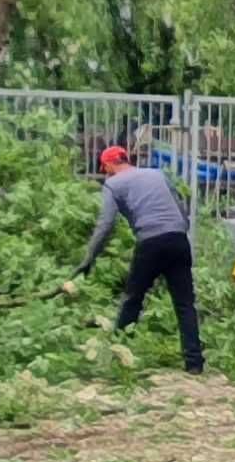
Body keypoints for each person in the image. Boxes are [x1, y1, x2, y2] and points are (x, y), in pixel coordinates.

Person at [80, 142, 203, 371]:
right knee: (185, 304)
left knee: (132, 299)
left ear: (107, 165)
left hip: (150, 242)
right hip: (178, 239)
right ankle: (195, 363)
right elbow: (179, 207)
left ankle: (119, 357)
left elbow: (105, 225)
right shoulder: (156, 174)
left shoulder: (113, 184)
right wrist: (178, 230)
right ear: (126, 159)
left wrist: (88, 259)